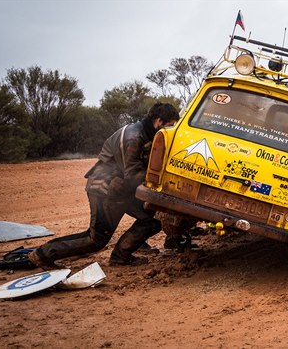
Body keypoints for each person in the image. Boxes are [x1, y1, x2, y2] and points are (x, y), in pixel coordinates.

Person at [28, 103, 180, 269]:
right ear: (158, 121)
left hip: (122, 189)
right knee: (95, 239)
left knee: (152, 220)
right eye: (170, 126)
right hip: (105, 188)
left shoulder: (146, 135)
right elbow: (133, 175)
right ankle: (43, 254)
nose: (171, 131)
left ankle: (120, 256)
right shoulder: (133, 138)